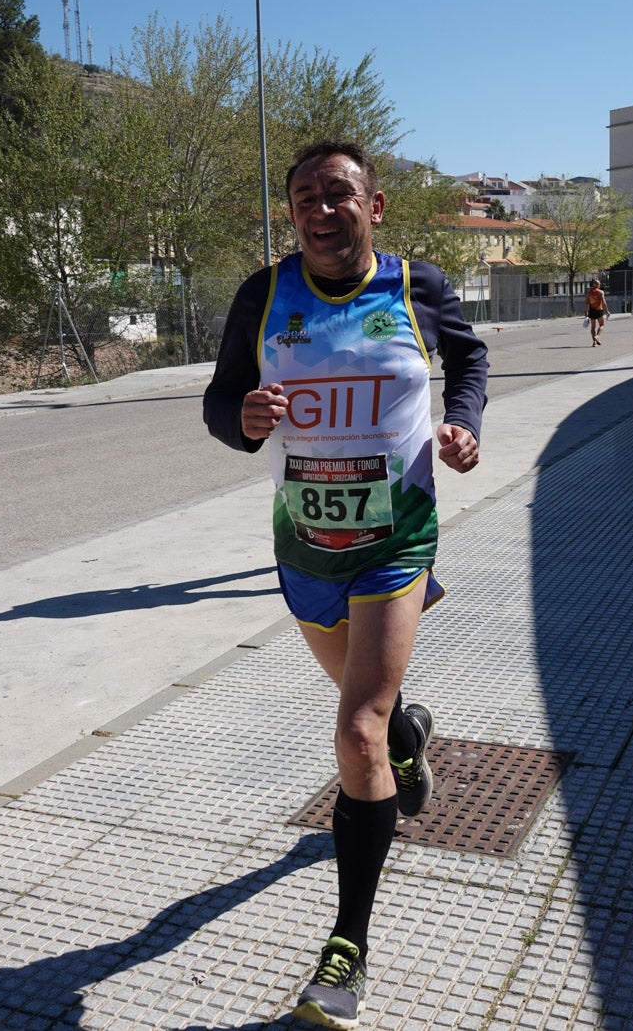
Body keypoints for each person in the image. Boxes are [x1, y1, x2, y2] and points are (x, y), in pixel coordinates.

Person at [203, 140, 488, 1029]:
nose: (321, 212)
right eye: (303, 200)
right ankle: (410, 735)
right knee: (375, 712)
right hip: (305, 546)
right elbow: (220, 403)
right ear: (290, 213)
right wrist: (243, 421)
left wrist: (462, 422)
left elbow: (470, 361)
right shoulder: (264, 294)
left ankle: (344, 952)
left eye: (338, 195)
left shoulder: (417, 286)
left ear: (375, 204)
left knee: (354, 728)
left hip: (395, 538)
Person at [585, 277, 610, 345]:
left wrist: (586, 312)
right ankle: (597, 336)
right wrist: (607, 311)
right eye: (599, 284)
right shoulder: (600, 292)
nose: (599, 285)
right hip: (599, 310)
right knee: (601, 325)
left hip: (592, 310)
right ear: (598, 285)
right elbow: (604, 302)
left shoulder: (589, 293)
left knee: (593, 328)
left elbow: (586, 303)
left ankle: (594, 342)